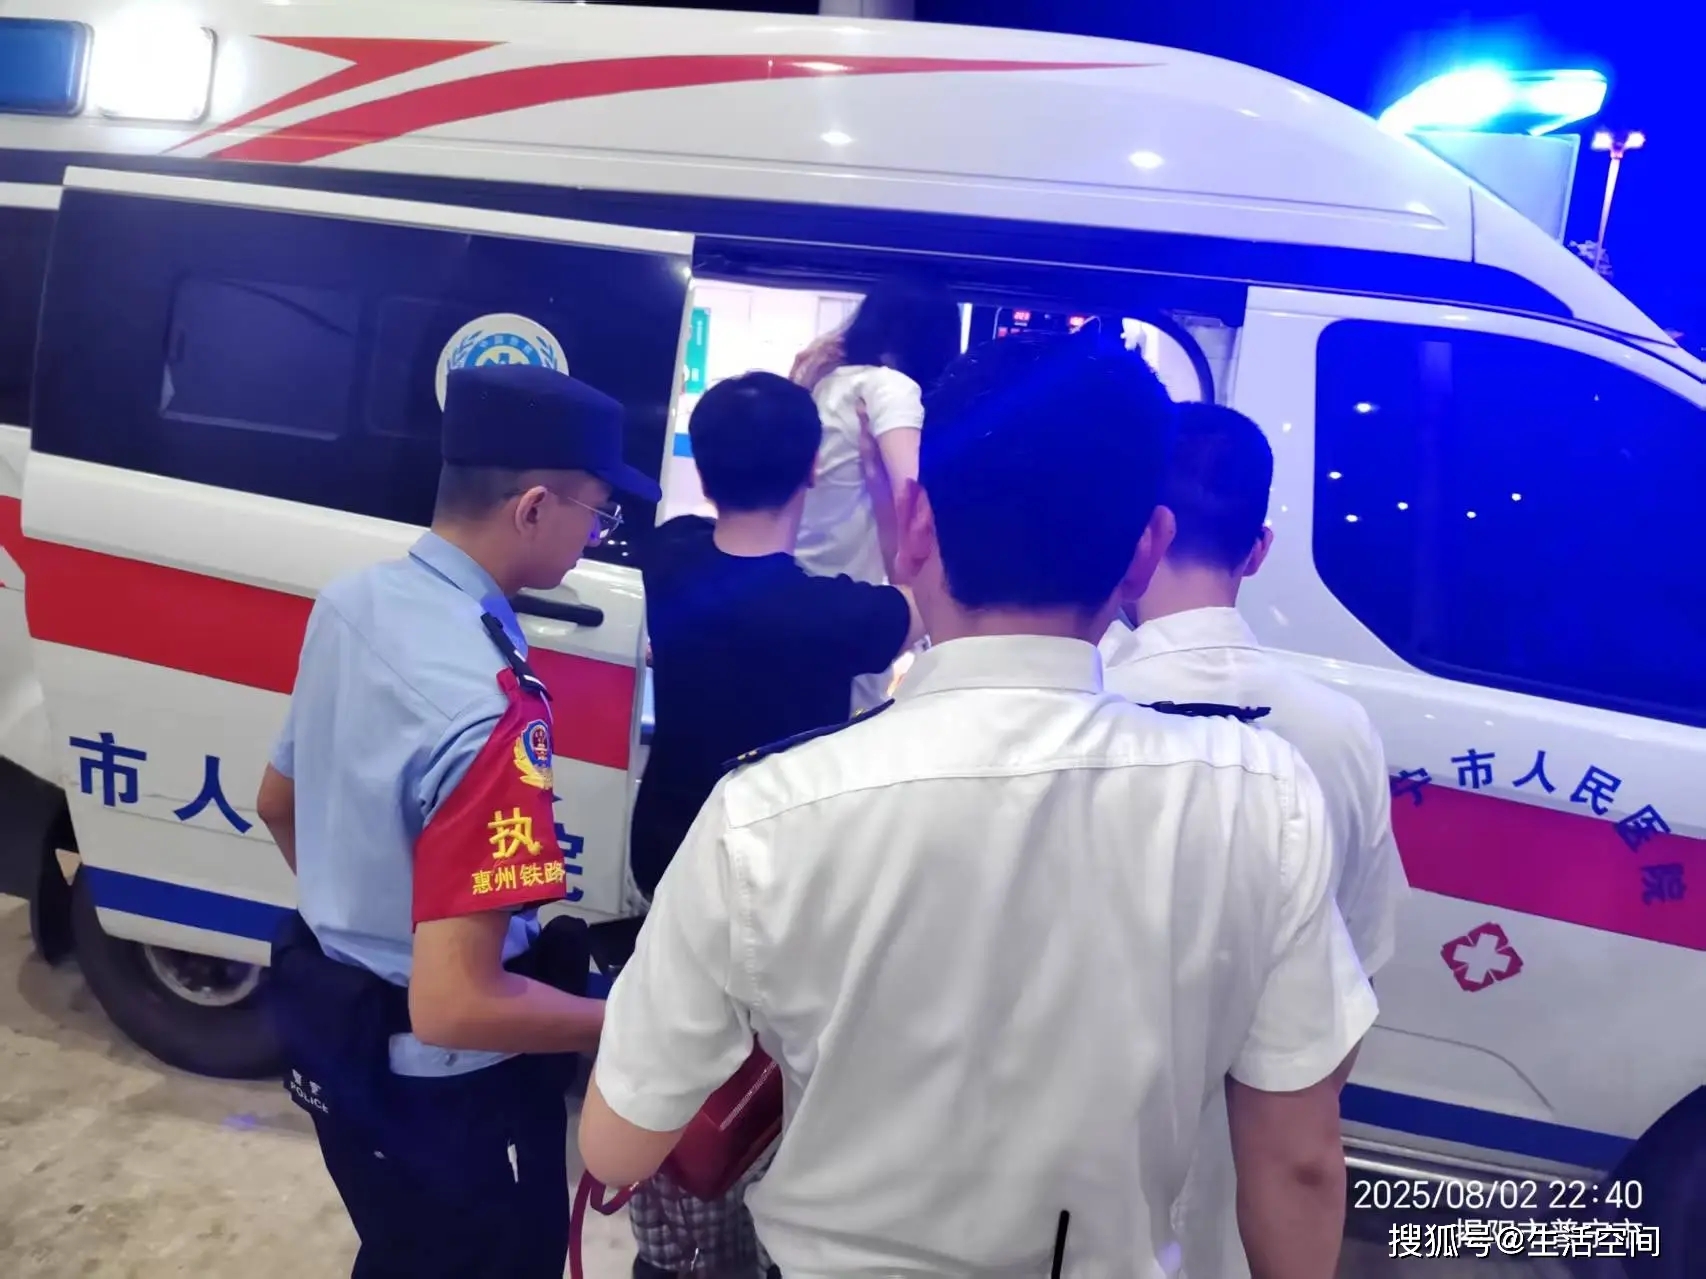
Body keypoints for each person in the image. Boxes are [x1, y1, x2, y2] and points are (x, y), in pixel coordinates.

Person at [578, 333, 1377, 1278]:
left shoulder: (765, 814)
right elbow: (1297, 1161)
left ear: (918, 524)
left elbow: (616, 1147)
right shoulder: (1262, 796)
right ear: (1145, 552)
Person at [254, 362, 659, 1279]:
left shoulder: (353, 601)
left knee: (397, 1253)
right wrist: (629, 1022)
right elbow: (458, 1003)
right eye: (597, 514)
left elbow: (277, 802)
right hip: (451, 1096)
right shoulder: (490, 708)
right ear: (533, 507)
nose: (595, 536)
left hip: (343, 1042)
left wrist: (369, 924)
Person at [1100, 400, 1409, 1279]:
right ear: (1259, 548)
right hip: (1248, 1203)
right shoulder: (1339, 731)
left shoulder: (1077, 703)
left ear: (1138, 534)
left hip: (1069, 1202)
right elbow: (1353, 978)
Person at [626, 371, 921, 1277]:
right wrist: (883, 487)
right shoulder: (838, 615)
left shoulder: (670, 555)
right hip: (786, 882)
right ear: (812, 472)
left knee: (680, 1045)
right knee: (771, 1077)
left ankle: (675, 1238)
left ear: (706, 470)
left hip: (670, 851)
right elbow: (917, 592)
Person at [790, 279, 959, 713]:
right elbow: (915, 503)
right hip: (853, 615)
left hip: (796, 598)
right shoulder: (892, 389)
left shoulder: (825, 384)